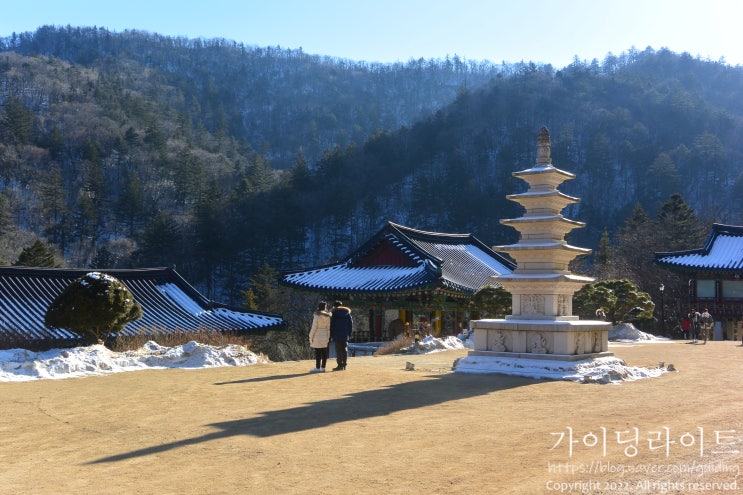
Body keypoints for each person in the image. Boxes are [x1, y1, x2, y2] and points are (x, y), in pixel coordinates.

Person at [329, 300, 353, 371]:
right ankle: (344, 364)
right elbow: (351, 324)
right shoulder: (347, 313)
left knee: (338, 350)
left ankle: (339, 365)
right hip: (345, 334)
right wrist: (349, 333)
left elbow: (332, 325)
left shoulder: (334, 313)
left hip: (337, 334)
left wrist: (331, 334)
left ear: (334, 306)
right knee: (344, 349)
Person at [308, 301, 331, 373]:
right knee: (324, 353)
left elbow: (314, 327)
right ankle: (323, 367)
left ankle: (317, 367)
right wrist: (328, 337)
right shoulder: (328, 316)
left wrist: (310, 336)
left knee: (318, 352)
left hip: (317, 335)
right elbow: (328, 328)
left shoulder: (317, 315)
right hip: (325, 335)